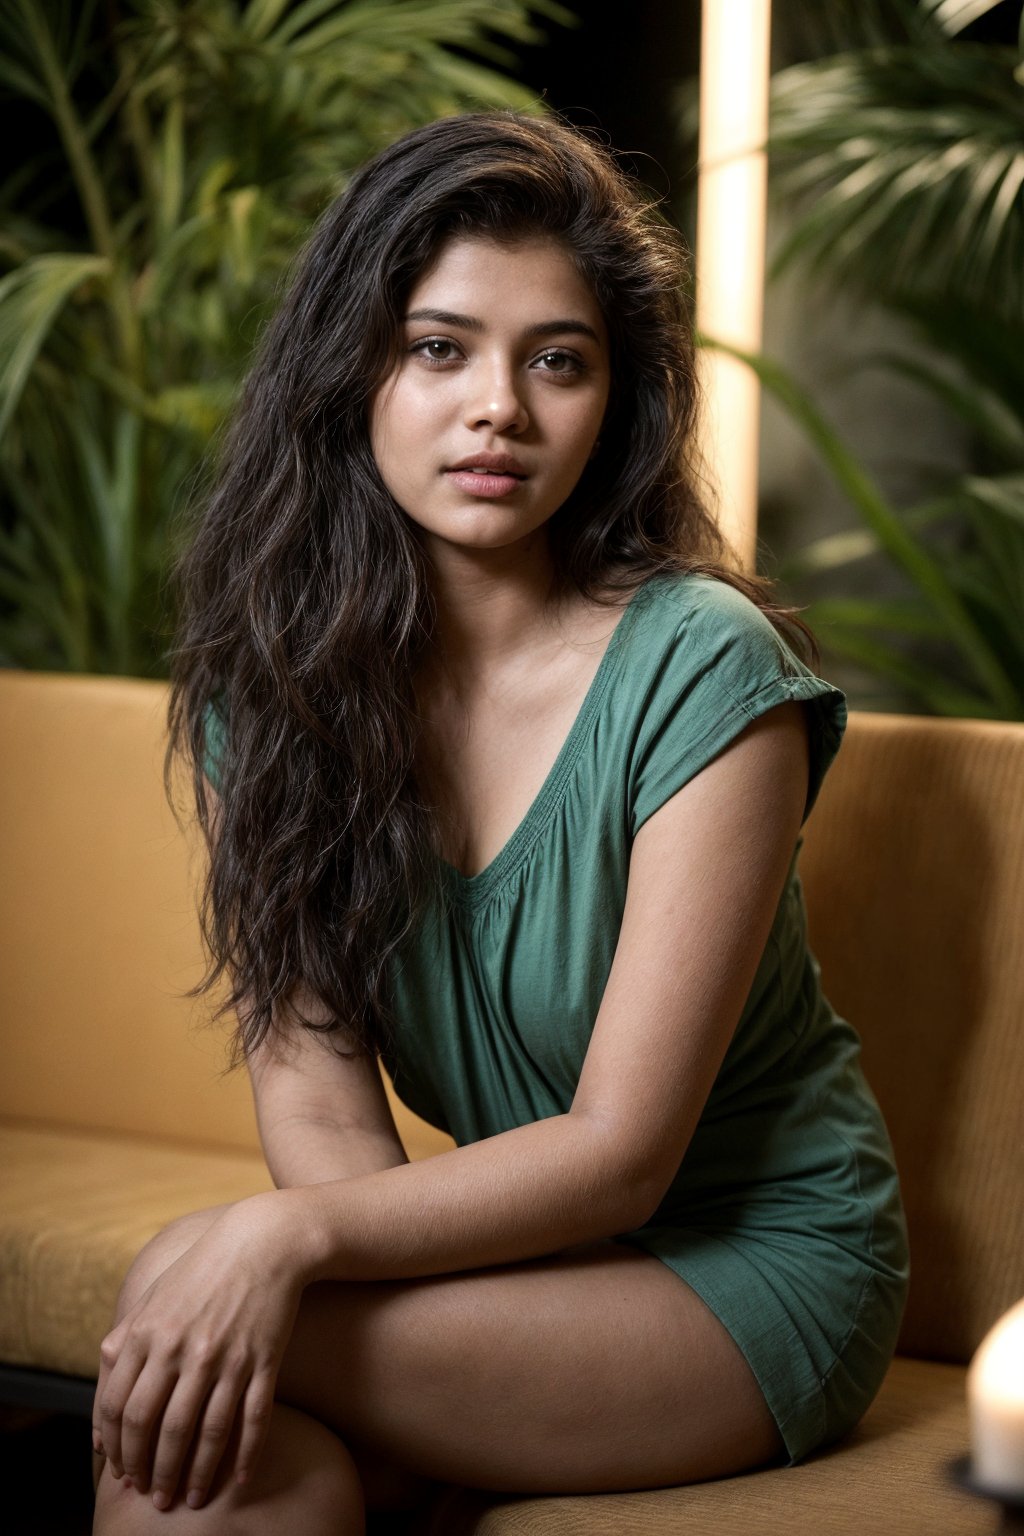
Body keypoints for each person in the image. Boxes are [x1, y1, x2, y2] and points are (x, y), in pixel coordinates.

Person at [92, 111, 908, 1534]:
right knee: (203, 1451)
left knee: (192, 1326)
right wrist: (305, 1239)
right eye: (438, 347)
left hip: (752, 1265)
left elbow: (621, 1153)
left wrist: (280, 1242)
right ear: (351, 369)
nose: (500, 411)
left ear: (615, 403)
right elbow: (322, 1114)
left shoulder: (702, 665)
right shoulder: (266, 699)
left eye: (559, 361)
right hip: (523, 1271)